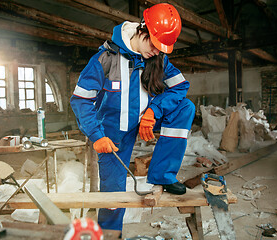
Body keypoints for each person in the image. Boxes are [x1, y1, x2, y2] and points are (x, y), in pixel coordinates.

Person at [70, 3, 195, 238]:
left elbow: (180, 87)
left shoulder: (158, 59)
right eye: (154, 44)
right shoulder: (105, 58)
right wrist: (97, 136)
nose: (157, 52)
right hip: (113, 132)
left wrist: (153, 112)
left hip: (145, 120)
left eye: (162, 48)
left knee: (185, 108)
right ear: (142, 30)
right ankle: (110, 236)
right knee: (113, 198)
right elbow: (80, 100)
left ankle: (162, 174)